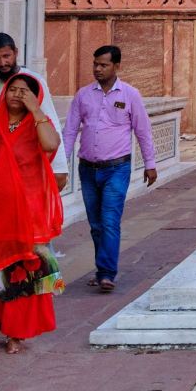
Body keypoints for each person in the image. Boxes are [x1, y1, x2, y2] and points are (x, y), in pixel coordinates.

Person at [61, 45, 157, 293]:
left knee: (110, 220)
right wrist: (60, 165)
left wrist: (150, 164)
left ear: (116, 66)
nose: (98, 69)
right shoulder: (83, 95)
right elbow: (70, 131)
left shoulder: (130, 95)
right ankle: (101, 268)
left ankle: (106, 273)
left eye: (103, 65)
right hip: (88, 169)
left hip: (117, 168)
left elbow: (143, 131)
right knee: (96, 224)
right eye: (95, 64)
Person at [0, 72, 64, 352]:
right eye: (13, 89)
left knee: (22, 272)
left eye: (25, 91)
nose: (17, 94)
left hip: (29, 213)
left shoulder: (38, 123)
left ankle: (16, 332)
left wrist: (36, 110)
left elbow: (51, 145)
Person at [0, 32, 66, 191]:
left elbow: (50, 121)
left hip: (27, 167)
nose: (2, 63)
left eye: (6, 56)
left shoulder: (34, 81)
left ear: (16, 53)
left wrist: (60, 167)